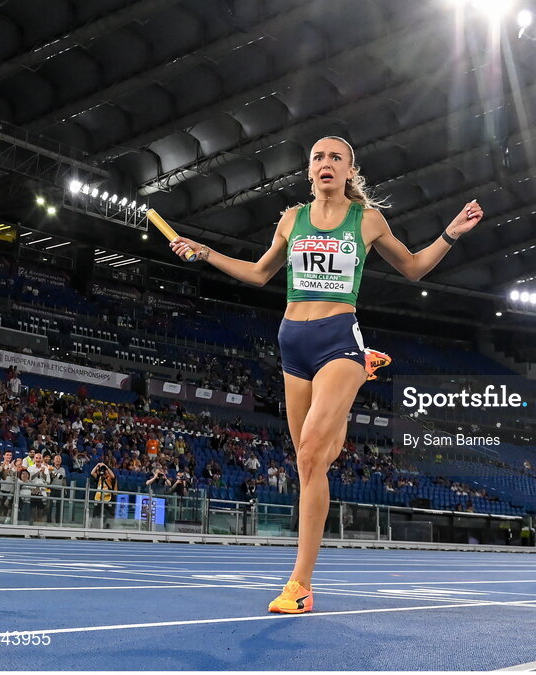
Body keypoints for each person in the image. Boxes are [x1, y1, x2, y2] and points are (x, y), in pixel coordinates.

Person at [169, 135, 483, 613]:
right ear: (308, 170)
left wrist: (451, 232)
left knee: (313, 452)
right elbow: (258, 274)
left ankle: (300, 584)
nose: (327, 163)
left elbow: (415, 269)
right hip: (292, 341)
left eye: (336, 157)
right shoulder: (291, 219)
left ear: (350, 171)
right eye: (318, 157)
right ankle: (365, 367)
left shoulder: (367, 220)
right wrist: (206, 253)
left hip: (338, 337)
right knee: (312, 458)